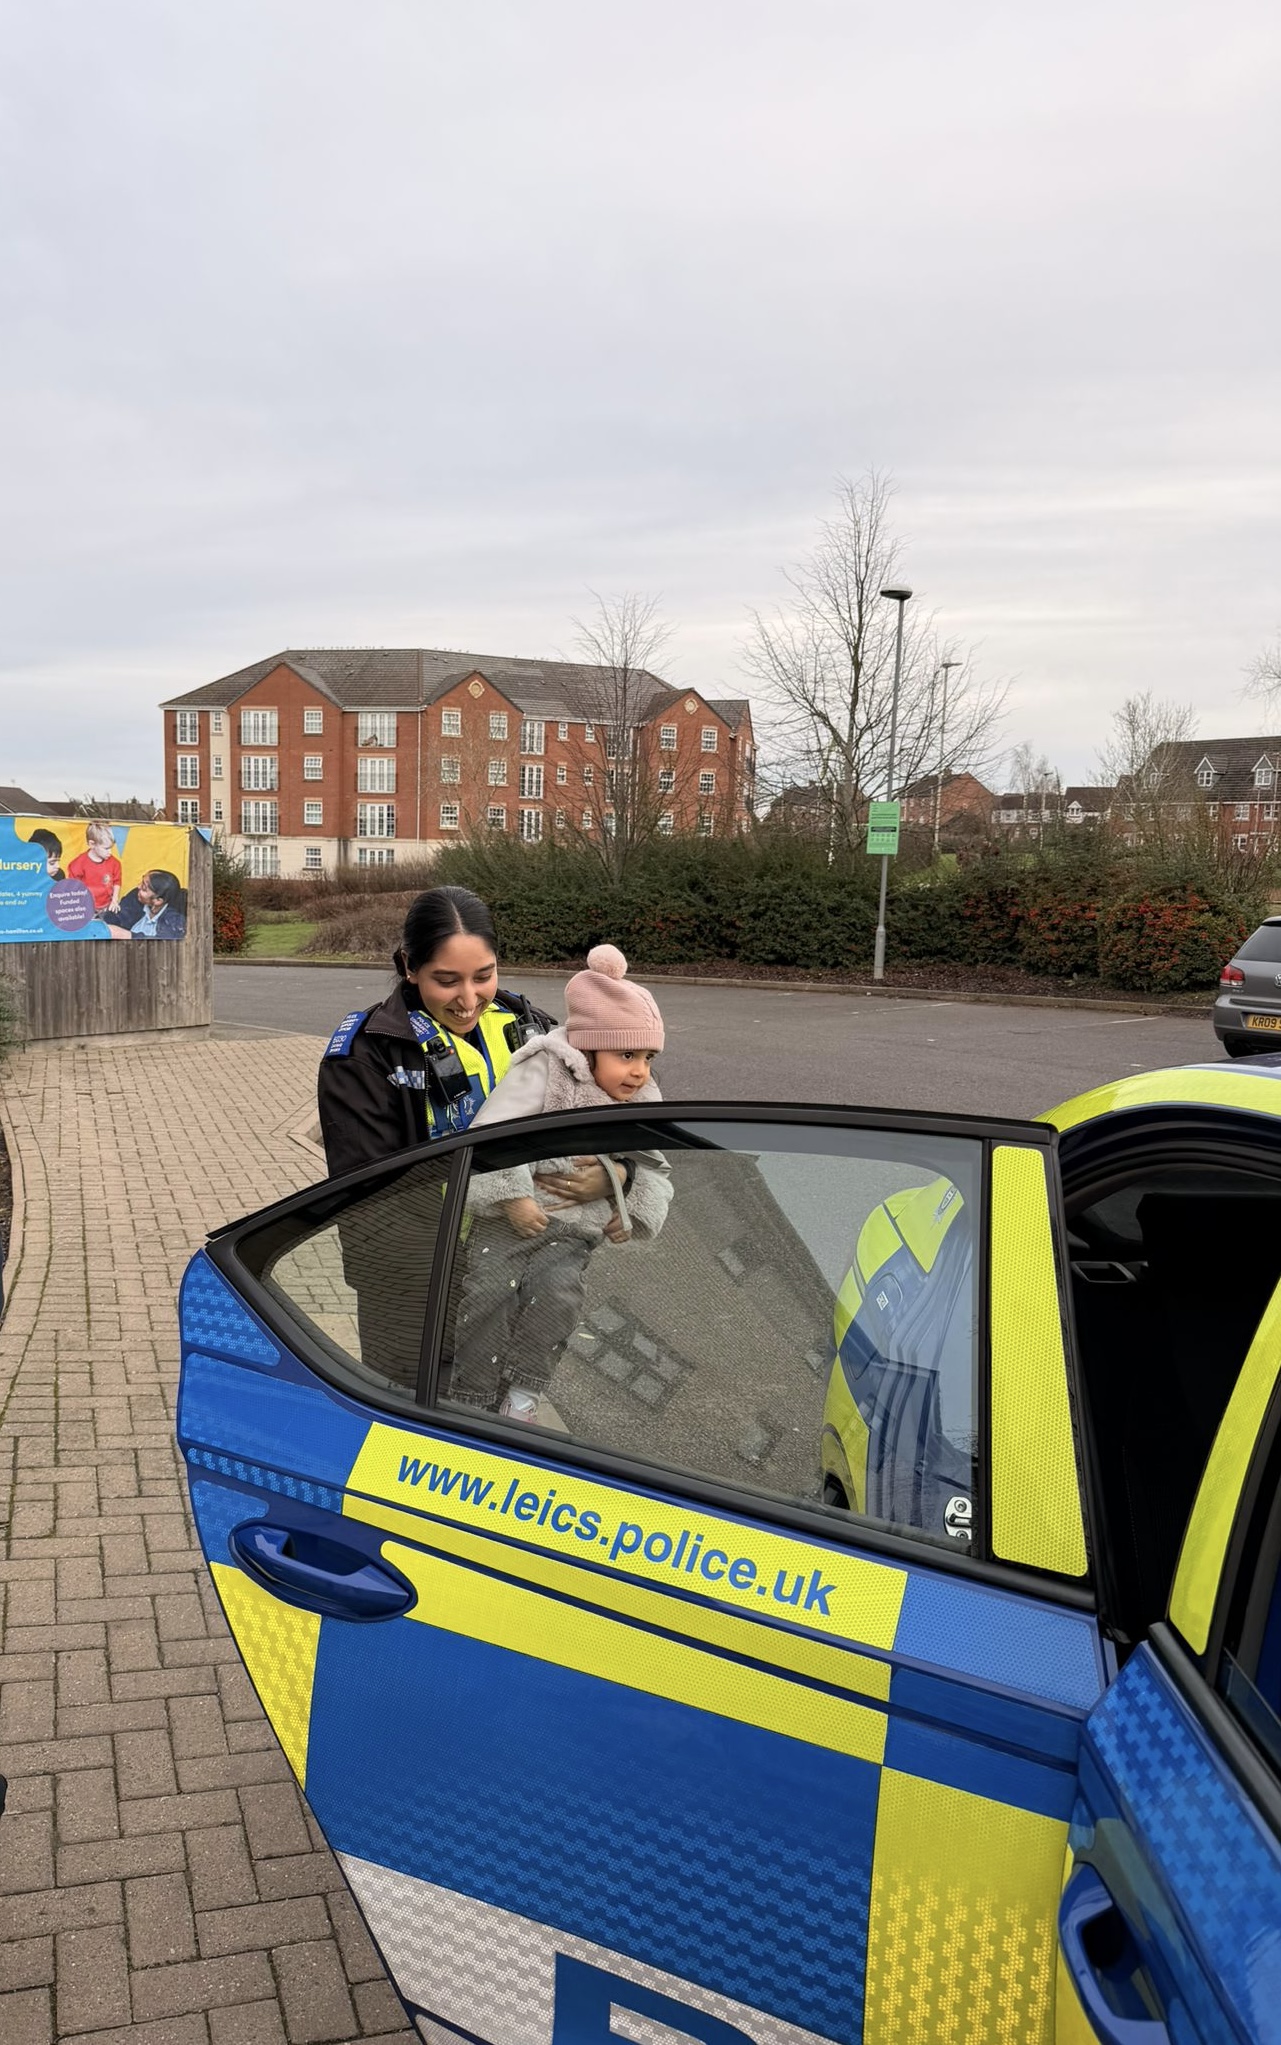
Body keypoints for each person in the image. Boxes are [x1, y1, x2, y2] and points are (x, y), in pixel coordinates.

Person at [448, 945, 672, 1421]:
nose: (639, 1070)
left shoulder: (639, 1095)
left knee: (557, 1300)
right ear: (588, 1045)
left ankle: (524, 1397)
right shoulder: (546, 1070)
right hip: (509, 1224)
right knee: (489, 1296)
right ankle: (471, 1397)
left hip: (572, 1232)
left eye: (649, 1057)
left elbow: (654, 1164)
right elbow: (491, 1134)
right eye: (627, 1053)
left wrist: (627, 1199)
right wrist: (512, 1196)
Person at [317, 884, 567, 1176]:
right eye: (447, 981)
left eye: (484, 976)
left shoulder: (529, 1026)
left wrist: (613, 1176)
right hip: (438, 1224)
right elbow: (365, 1203)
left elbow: (585, 1123)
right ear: (410, 965)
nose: (469, 1000)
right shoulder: (364, 1059)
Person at [104, 870, 188, 939]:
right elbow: (115, 918)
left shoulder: (175, 921)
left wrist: (128, 936)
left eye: (144, 888)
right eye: (142, 882)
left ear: (158, 901)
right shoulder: (136, 897)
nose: (138, 886)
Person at [67, 821, 122, 916]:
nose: (110, 852)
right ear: (92, 844)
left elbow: (117, 882)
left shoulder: (115, 863)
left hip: (106, 907)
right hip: (85, 907)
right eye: (106, 848)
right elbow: (73, 888)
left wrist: (114, 900)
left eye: (111, 848)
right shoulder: (78, 864)